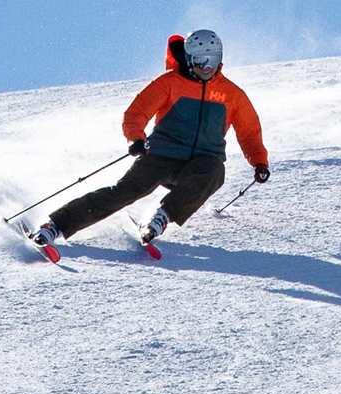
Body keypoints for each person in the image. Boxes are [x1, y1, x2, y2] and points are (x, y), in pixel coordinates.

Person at [27, 30, 268, 256]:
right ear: (189, 57)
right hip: (162, 155)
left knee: (215, 171)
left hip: (201, 162)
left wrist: (259, 162)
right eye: (200, 60)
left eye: (212, 60)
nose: (206, 67)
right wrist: (137, 138)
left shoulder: (232, 94)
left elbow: (249, 131)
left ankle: (162, 216)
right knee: (126, 191)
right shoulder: (169, 83)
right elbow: (136, 114)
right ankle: (55, 225)